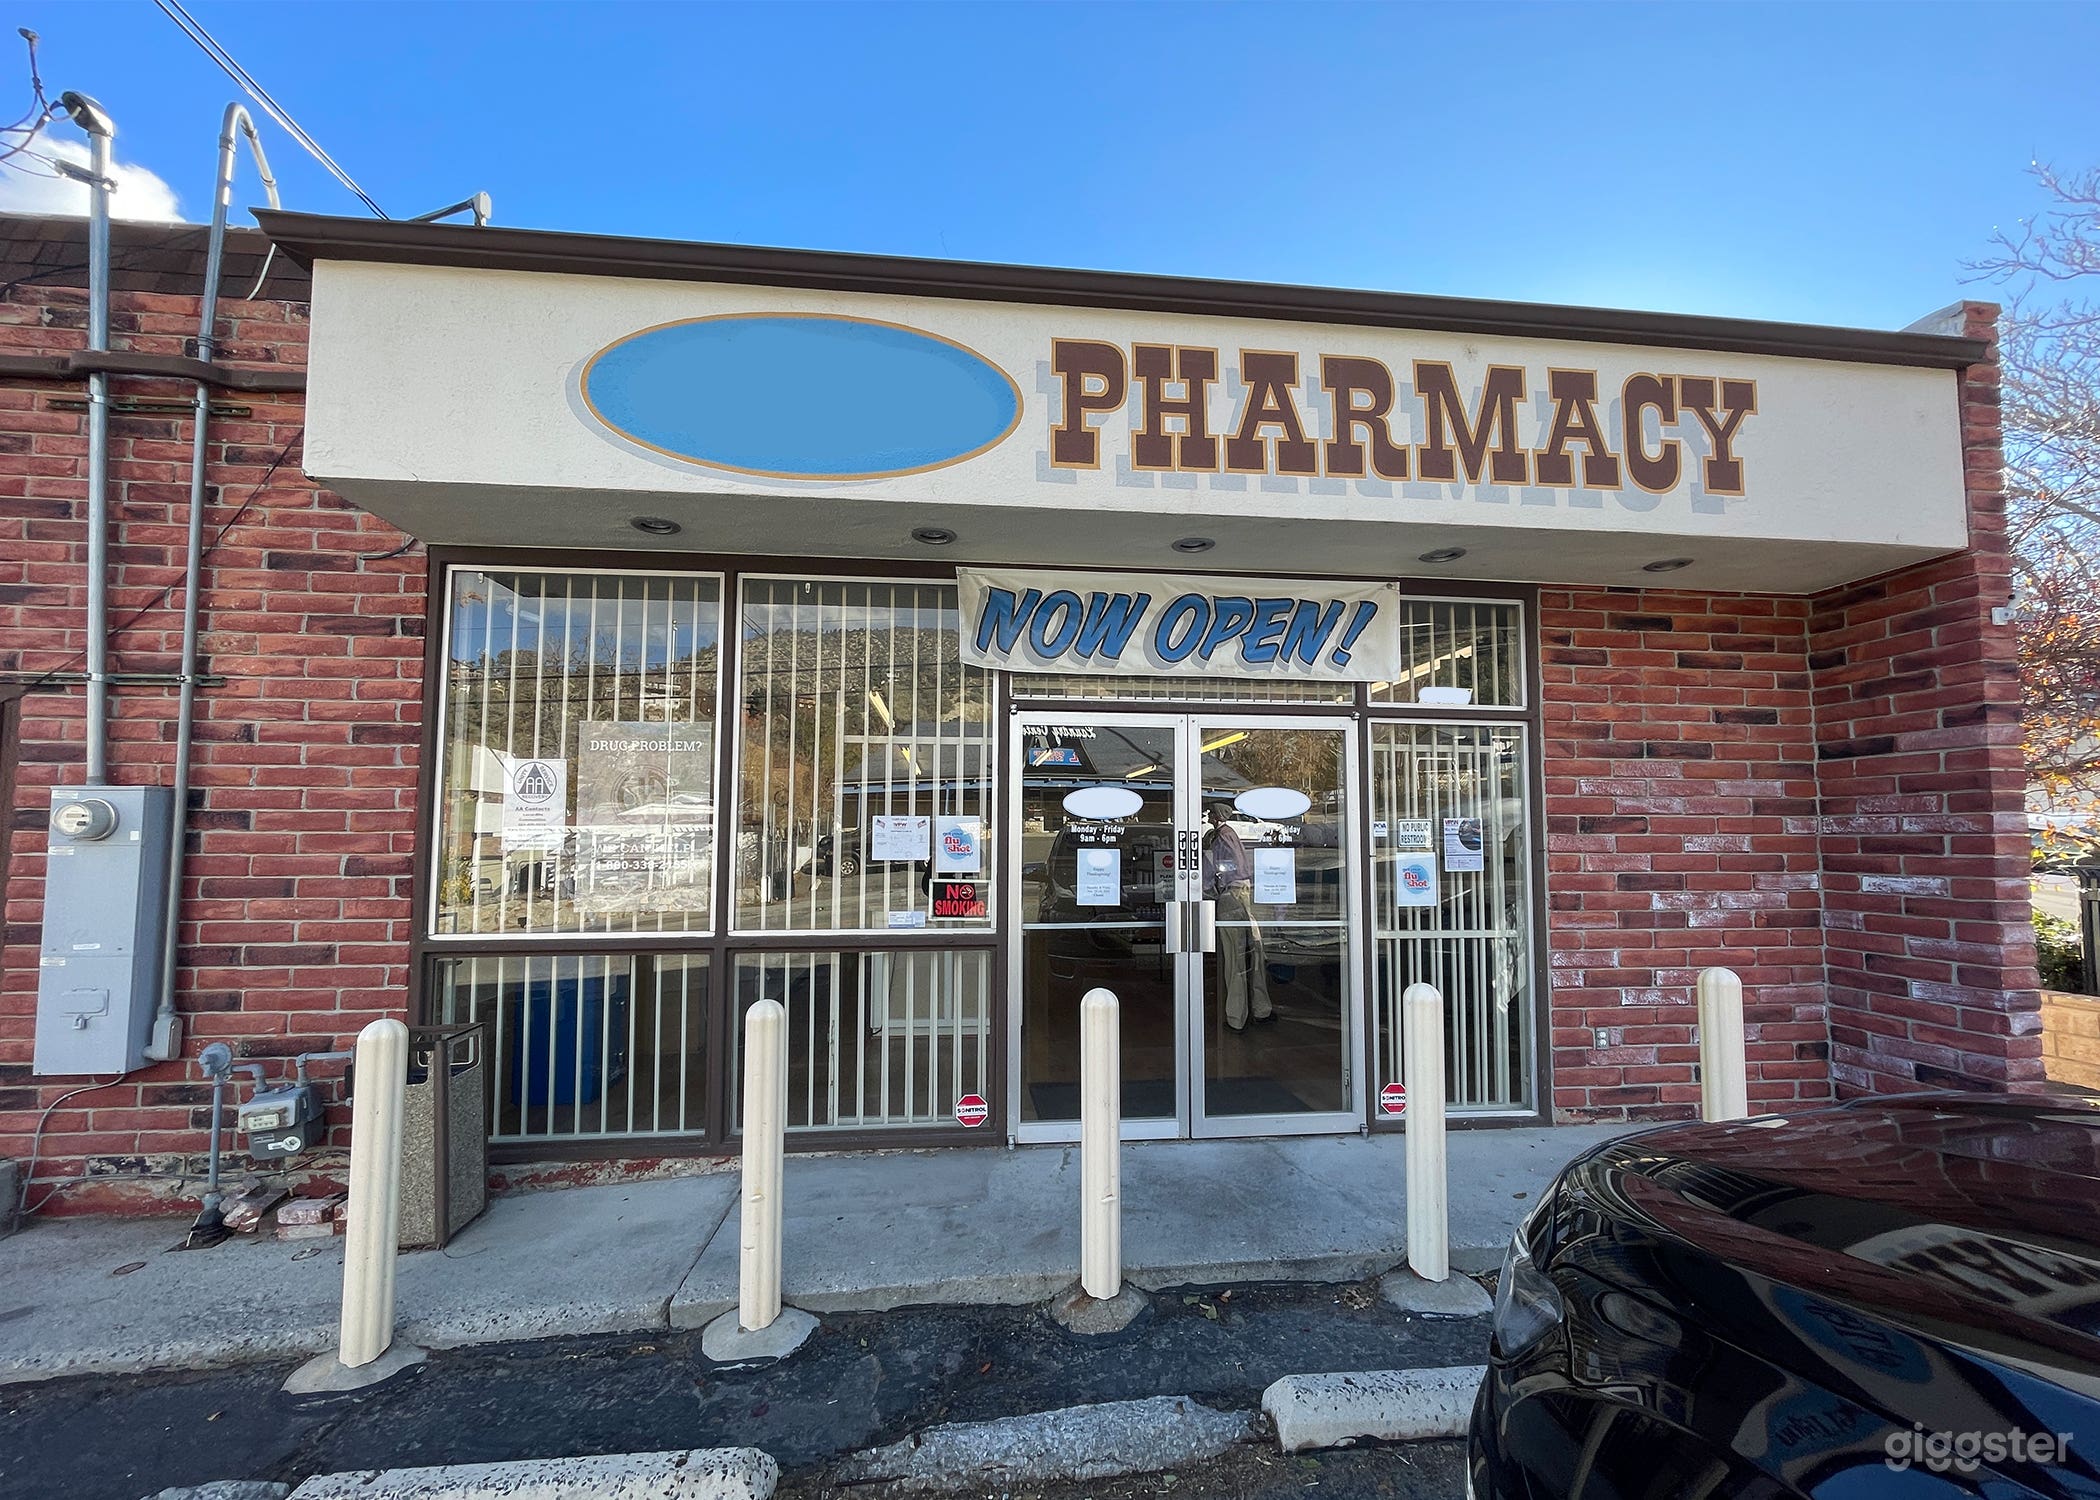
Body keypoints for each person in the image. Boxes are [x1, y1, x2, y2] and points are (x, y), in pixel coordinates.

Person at [1203, 805, 1272, 1030]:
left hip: (1230, 896)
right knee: (1256, 954)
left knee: (1235, 958)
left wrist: (1208, 893)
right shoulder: (1232, 836)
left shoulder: (1217, 838)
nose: (1209, 816)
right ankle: (1261, 1010)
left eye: (1211, 813)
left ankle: (1236, 1018)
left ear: (1217, 816)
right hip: (1245, 893)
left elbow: (1209, 875)